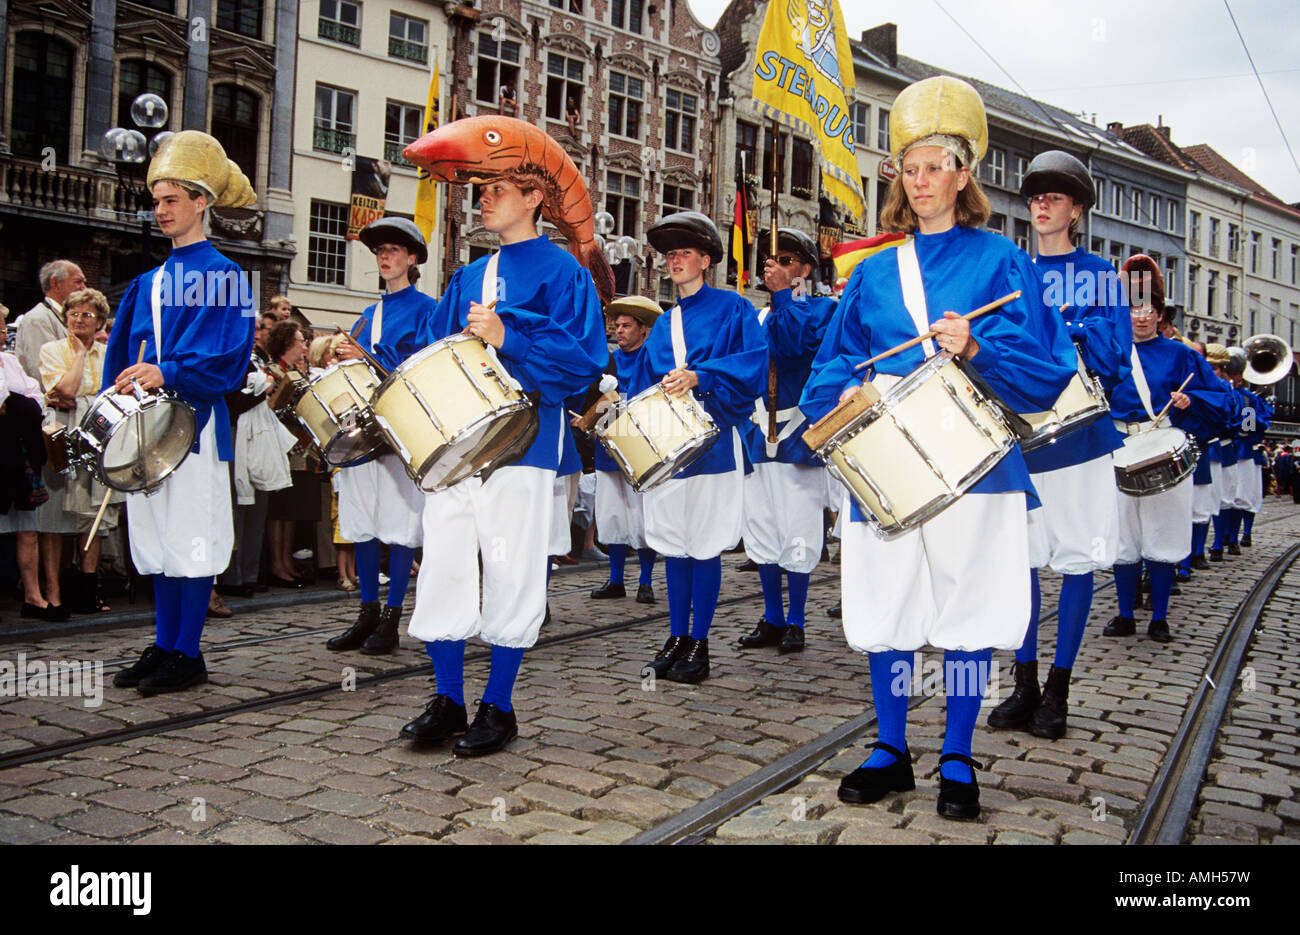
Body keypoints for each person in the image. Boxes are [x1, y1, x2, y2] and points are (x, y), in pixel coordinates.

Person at [800, 76, 1078, 819]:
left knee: (966, 607)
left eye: (934, 167)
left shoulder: (1001, 261)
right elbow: (836, 360)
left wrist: (977, 345)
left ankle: (957, 750)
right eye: (908, 168)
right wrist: (832, 403)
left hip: (976, 465)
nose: (919, 182)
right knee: (886, 605)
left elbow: (1048, 369)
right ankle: (891, 748)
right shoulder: (873, 272)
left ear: (963, 173)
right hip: (887, 456)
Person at [400, 177, 607, 755]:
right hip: (458, 443)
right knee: (443, 563)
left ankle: (498, 704)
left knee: (511, 569)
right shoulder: (468, 275)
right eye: (481, 189)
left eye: (499, 189)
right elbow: (434, 347)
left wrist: (508, 336)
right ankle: (447, 698)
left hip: (526, 441)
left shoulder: (565, 272)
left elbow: (583, 362)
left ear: (536, 198)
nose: (484, 198)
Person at [985, 151, 1131, 739]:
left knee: (1075, 563)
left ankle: (1059, 689)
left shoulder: (1103, 275)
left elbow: (1112, 352)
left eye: (1055, 198)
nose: (1042, 206)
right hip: (1019, 439)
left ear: (1076, 210)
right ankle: (1024, 682)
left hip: (1079, 441)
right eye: (1036, 198)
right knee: (1018, 563)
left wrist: (1058, 334)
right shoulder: (1009, 271)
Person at [106, 130, 256, 694]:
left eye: (172, 199)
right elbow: (121, 356)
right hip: (147, 428)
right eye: (157, 200)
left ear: (202, 202)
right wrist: (116, 395)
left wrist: (167, 371)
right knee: (155, 539)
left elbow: (226, 362)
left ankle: (188, 653)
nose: (161, 210)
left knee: (192, 539)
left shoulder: (229, 277)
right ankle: (165, 643)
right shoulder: (144, 283)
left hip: (194, 428)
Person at [631, 211, 766, 684]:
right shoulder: (663, 323)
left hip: (712, 444)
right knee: (674, 547)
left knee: (704, 546)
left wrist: (701, 376)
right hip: (670, 447)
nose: (675, 261)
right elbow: (642, 386)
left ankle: (700, 643)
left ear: (705, 259)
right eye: (669, 255)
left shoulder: (734, 308)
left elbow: (751, 363)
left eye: (684, 253)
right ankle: (675, 636)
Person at [1102, 256, 1233, 645]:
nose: (1141, 317)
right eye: (1134, 309)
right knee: (1124, 535)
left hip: (1164, 443)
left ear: (1159, 315)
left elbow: (1221, 400)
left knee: (1162, 532)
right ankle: (1125, 614)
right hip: (1120, 444)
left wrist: (1189, 401)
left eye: (1149, 310)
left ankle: (1159, 617)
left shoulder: (1182, 355)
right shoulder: (1109, 350)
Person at [325, 217, 431, 655]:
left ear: (411, 259)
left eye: (393, 250)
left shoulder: (427, 309)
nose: (385, 257)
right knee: (362, 525)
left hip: (400, 430)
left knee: (401, 527)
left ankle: (391, 620)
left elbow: (418, 370)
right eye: (380, 251)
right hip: (362, 433)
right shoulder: (369, 314)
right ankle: (366, 613)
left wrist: (365, 355)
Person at [737, 228, 836, 655]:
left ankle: (796, 618)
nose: (771, 264)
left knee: (798, 529)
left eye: (785, 259)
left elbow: (794, 347)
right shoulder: (755, 316)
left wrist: (783, 297)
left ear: (805, 269)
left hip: (797, 433)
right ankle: (773, 616)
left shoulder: (821, 311)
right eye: (769, 258)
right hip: (759, 432)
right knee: (762, 529)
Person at [37, 288, 122, 614]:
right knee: (56, 516)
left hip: (97, 437)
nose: (78, 320)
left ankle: (88, 590)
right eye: (73, 313)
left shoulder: (108, 352)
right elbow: (65, 391)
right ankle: (55, 593)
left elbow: (109, 396)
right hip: (61, 437)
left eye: (87, 315)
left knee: (92, 518)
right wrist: (81, 356)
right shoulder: (52, 349)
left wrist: (76, 396)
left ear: (99, 320)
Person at [590, 295, 661, 603]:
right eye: (617, 326)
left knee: (643, 516)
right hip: (609, 448)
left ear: (643, 330)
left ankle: (645, 581)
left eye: (626, 326)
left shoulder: (654, 359)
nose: (619, 331)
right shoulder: (607, 360)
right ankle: (616, 579)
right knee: (612, 515)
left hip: (642, 447)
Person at [1, 328, 57, 619]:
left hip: (21, 454)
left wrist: (17, 404)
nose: (1, 333)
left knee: (28, 530)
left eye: (1, 327)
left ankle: (33, 597)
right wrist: (18, 404)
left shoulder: (9, 361)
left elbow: (36, 398)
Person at [262, 320, 322, 589]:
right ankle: (277, 564)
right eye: (300, 340)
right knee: (280, 511)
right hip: (283, 448)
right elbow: (272, 410)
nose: (304, 345)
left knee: (292, 511)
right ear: (287, 343)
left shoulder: (299, 372)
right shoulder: (273, 371)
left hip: (303, 450)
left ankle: (286, 561)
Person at [16, 260, 85, 382]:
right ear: (56, 284)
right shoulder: (38, 319)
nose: (83, 288)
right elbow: (45, 376)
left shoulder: (62, 318)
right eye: (77, 282)